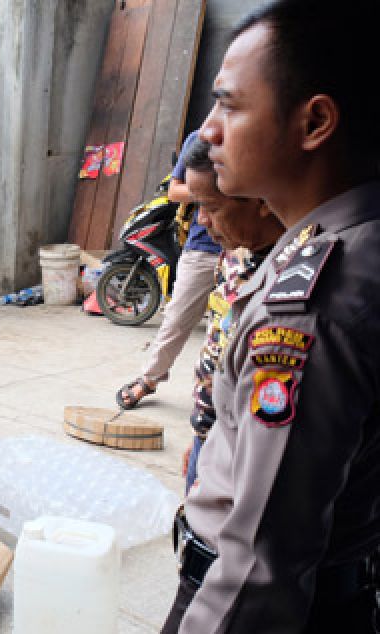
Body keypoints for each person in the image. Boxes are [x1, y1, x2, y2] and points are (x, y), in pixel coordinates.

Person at [162, 1, 380, 631]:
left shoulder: (314, 303)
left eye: (229, 104)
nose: (208, 131)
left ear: (314, 122)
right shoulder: (356, 244)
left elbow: (264, 562)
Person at [175, 138, 283, 494]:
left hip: (247, 455)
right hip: (213, 436)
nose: (201, 220)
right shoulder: (235, 255)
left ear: (260, 201)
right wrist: (201, 433)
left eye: (210, 206)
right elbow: (216, 345)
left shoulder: (290, 276)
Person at [115, 130, 221, 409]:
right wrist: (215, 191)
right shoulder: (200, 139)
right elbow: (175, 190)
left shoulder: (259, 140)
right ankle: (149, 379)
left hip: (246, 250)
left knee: (228, 330)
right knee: (176, 318)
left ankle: (220, 397)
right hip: (203, 248)